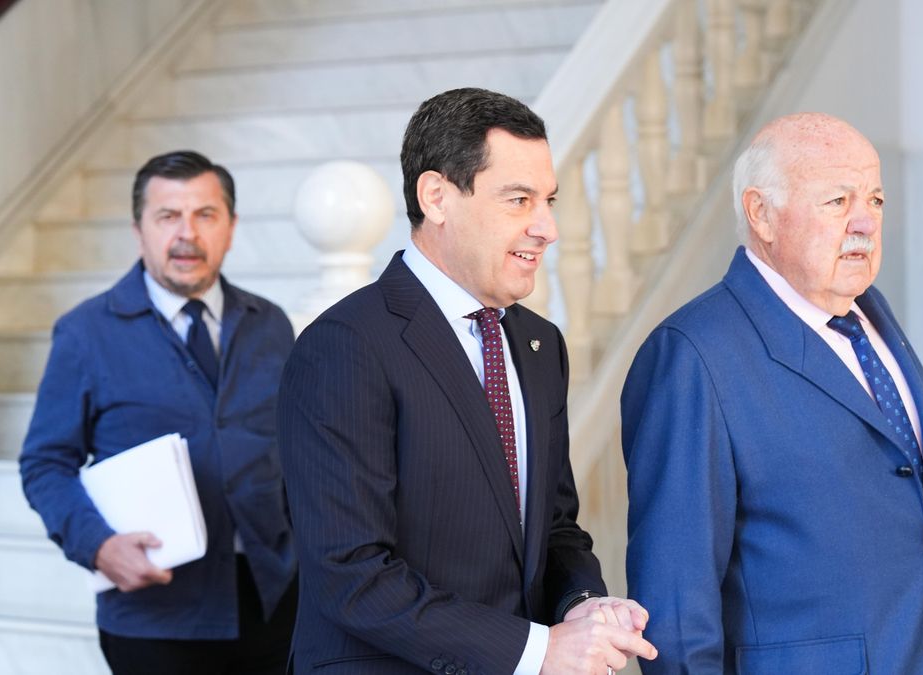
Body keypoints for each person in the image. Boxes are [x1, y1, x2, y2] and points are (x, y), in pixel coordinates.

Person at [276, 87, 656, 675]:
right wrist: (538, 651)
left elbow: (553, 526)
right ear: (437, 197)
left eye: (548, 200)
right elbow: (351, 573)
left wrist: (581, 606)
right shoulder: (344, 345)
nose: (548, 227)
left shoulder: (538, 344)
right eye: (519, 200)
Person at [622, 113, 923, 674]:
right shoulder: (692, 356)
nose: (865, 223)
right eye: (837, 201)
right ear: (762, 214)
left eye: (875, 200)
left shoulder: (874, 320)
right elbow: (677, 611)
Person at [20, 150, 298, 674]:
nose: (186, 234)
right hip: (155, 616)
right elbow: (45, 464)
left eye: (205, 215)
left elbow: (299, 448)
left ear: (231, 228)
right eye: (168, 216)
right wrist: (98, 545)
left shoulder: (272, 325)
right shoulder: (85, 333)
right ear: (139, 230)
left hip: (273, 601)